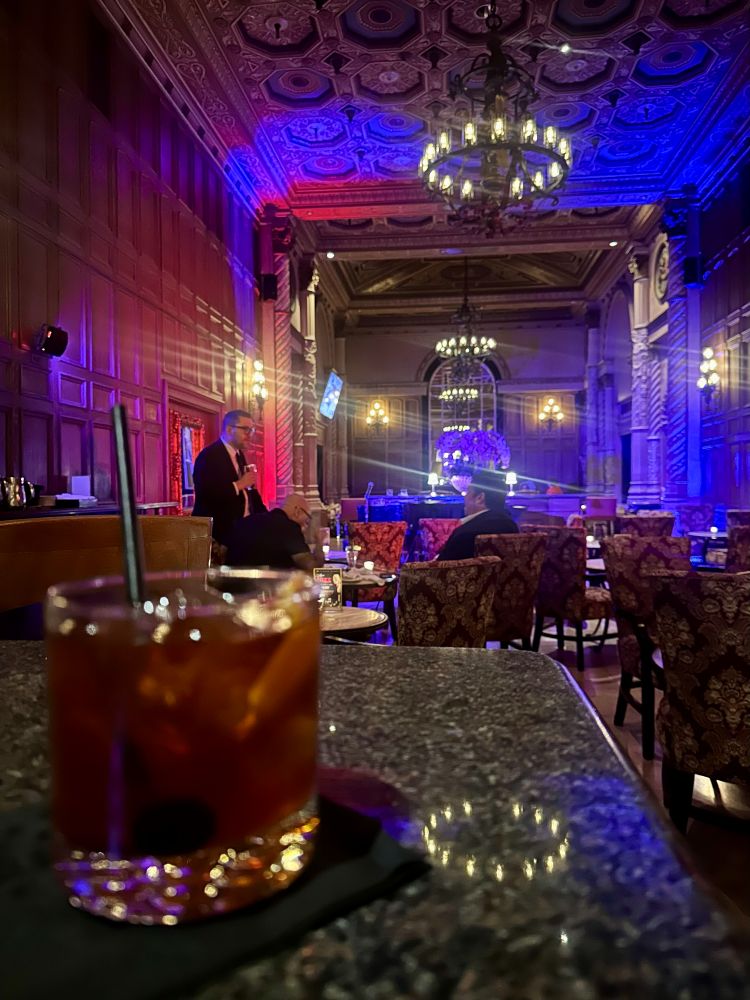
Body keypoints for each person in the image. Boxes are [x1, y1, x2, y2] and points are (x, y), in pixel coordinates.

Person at [192, 409, 267, 550]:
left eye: (251, 430)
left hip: (242, 530)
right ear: (229, 429)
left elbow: (249, 493)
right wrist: (239, 484)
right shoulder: (208, 456)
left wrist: (267, 518)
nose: (250, 435)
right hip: (219, 535)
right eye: (245, 429)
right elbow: (207, 496)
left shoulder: (239, 455)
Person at [226, 494, 323, 573]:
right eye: (307, 521)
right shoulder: (289, 527)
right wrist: (319, 542)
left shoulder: (246, 521)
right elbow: (313, 568)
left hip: (231, 588)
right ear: (297, 511)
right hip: (265, 590)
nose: (306, 527)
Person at [437, 468, 518, 561]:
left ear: (480, 498)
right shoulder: (512, 527)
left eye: (468, 492)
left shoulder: (464, 534)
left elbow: (439, 570)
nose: (465, 496)